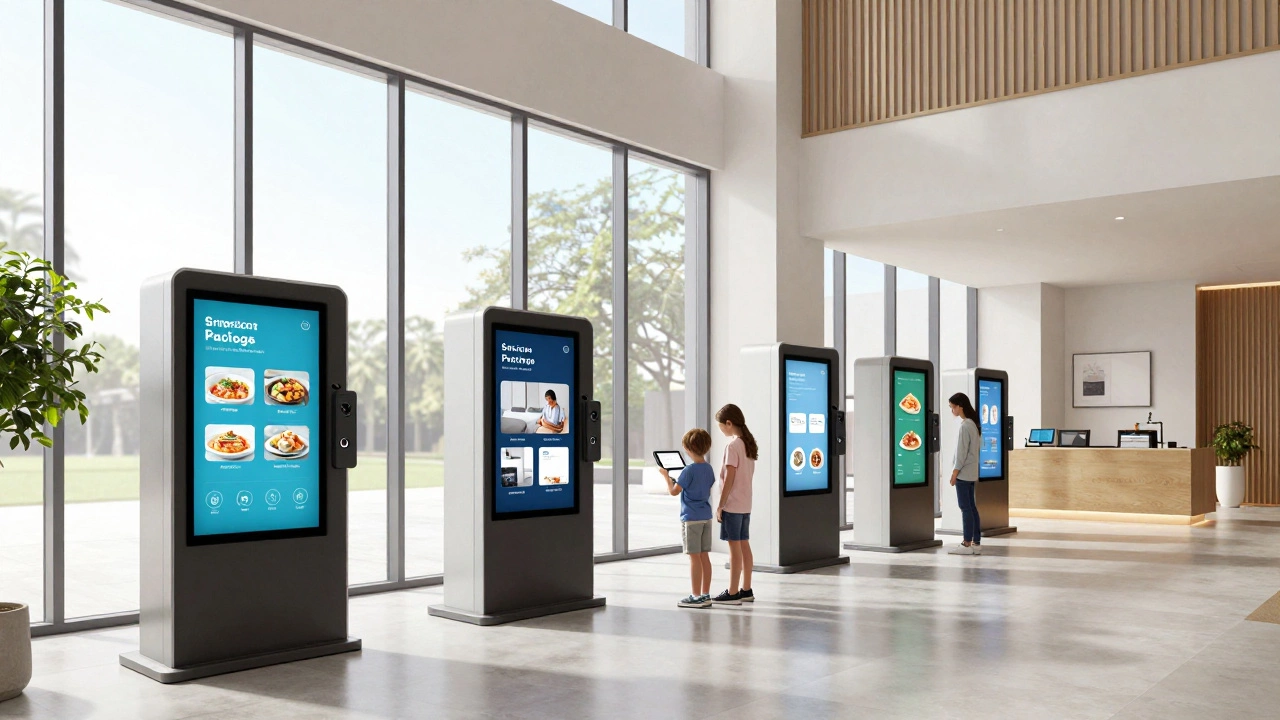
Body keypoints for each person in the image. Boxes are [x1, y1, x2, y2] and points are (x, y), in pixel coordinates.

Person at [658, 428, 716, 609]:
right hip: (706, 517)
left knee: (694, 558)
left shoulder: (688, 470)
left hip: (691, 519)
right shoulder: (708, 468)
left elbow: (674, 492)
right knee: (705, 556)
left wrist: (667, 477)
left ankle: (695, 596)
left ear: (689, 449)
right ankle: (706, 594)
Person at [712, 403, 758, 605]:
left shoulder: (732, 446)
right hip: (745, 504)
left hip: (732, 505)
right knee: (744, 545)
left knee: (734, 549)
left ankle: (732, 593)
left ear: (728, 423)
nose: (720, 429)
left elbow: (729, 477)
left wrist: (721, 505)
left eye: (720, 425)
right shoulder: (748, 443)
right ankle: (746, 589)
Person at [948, 392, 982, 556]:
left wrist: (955, 473)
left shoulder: (965, 426)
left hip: (963, 473)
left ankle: (966, 543)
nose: (952, 410)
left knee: (965, 508)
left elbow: (961, 453)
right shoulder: (974, 424)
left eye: (952, 407)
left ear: (960, 406)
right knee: (972, 507)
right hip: (972, 472)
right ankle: (976, 542)